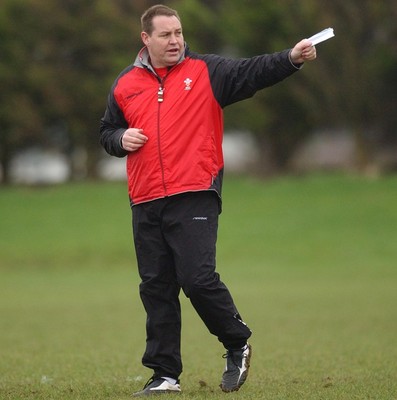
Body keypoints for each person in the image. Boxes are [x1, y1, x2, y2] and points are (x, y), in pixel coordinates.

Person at [100, 4, 316, 397]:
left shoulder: (206, 71)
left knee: (197, 280)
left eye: (179, 33)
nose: (175, 41)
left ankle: (237, 342)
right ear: (145, 39)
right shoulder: (125, 84)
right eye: (165, 35)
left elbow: (253, 71)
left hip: (195, 191)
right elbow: (107, 130)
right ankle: (164, 376)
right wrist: (119, 139)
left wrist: (291, 59)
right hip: (145, 198)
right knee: (156, 287)